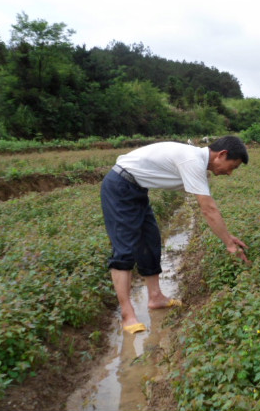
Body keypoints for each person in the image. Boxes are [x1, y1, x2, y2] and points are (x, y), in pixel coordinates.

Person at [100, 135, 249, 334]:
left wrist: (228, 237)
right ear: (222, 155)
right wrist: (229, 245)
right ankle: (127, 315)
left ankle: (155, 298)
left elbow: (207, 205)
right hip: (120, 186)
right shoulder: (192, 161)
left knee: (150, 241)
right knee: (124, 250)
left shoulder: (197, 164)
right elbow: (208, 209)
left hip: (137, 189)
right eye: (233, 166)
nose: (230, 173)